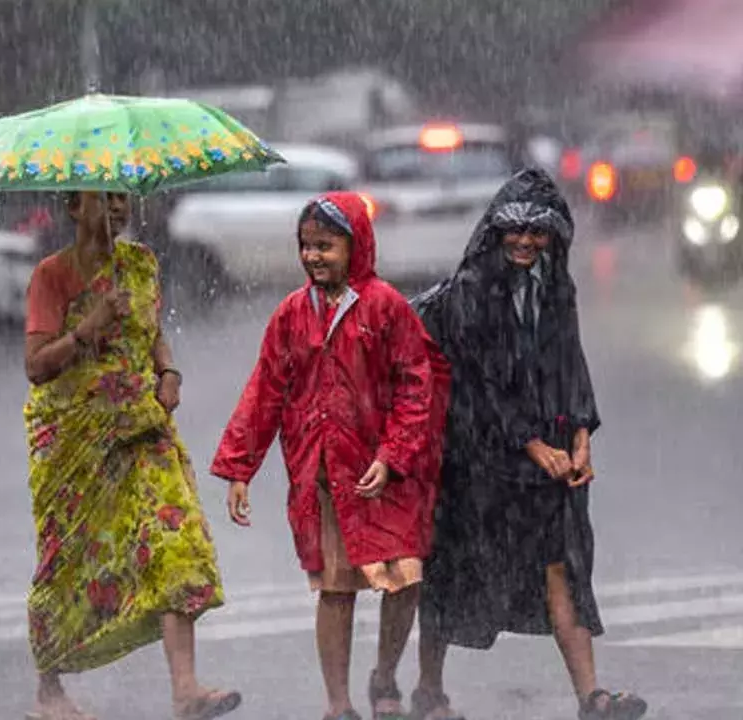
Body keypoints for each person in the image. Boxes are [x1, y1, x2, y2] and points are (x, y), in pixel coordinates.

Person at [410, 168, 647, 720]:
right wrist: (534, 446)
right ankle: (428, 691)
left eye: (537, 232)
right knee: (452, 571)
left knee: (562, 567)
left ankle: (592, 696)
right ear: (496, 231)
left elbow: (570, 365)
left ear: (554, 237)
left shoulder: (556, 286)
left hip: (547, 462)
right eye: (514, 229)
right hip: (477, 462)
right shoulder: (470, 292)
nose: (524, 241)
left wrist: (581, 436)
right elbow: (481, 383)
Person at [211, 192, 448, 720]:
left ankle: (384, 674)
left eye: (326, 245)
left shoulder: (386, 307)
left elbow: (416, 387)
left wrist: (393, 454)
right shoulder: (291, 316)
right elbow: (265, 391)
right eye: (306, 246)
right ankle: (337, 705)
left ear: (356, 245)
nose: (314, 256)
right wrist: (239, 468)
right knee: (337, 591)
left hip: (389, 479)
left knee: (403, 581)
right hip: (326, 480)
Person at [22, 190, 240, 720]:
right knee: (68, 560)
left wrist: (169, 371)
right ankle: (50, 693)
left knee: (175, 537)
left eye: (123, 198)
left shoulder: (141, 264)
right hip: (75, 439)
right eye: (104, 199)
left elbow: (152, 334)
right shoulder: (52, 276)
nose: (118, 208)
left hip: (142, 426)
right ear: (74, 208)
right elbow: (36, 366)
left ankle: (186, 690)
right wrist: (85, 329)